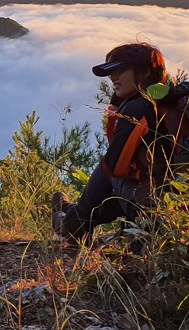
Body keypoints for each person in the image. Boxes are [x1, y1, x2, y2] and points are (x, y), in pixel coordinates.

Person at [52, 42, 172, 242]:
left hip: (156, 211)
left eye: (119, 70)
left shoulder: (139, 108)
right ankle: (75, 217)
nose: (112, 77)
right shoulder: (172, 102)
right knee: (128, 180)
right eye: (110, 72)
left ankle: (73, 223)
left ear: (144, 72)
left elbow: (114, 168)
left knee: (109, 170)